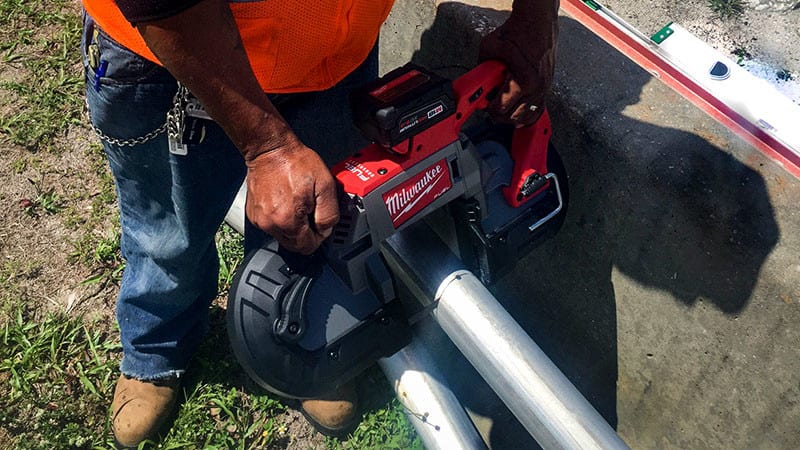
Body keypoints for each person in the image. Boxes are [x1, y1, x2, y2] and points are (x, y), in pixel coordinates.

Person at [80, 0, 559, 446]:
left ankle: (304, 345)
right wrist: (267, 146)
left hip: (332, 55)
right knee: (169, 235)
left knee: (315, 224)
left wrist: (535, 20)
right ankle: (156, 347)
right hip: (171, 50)